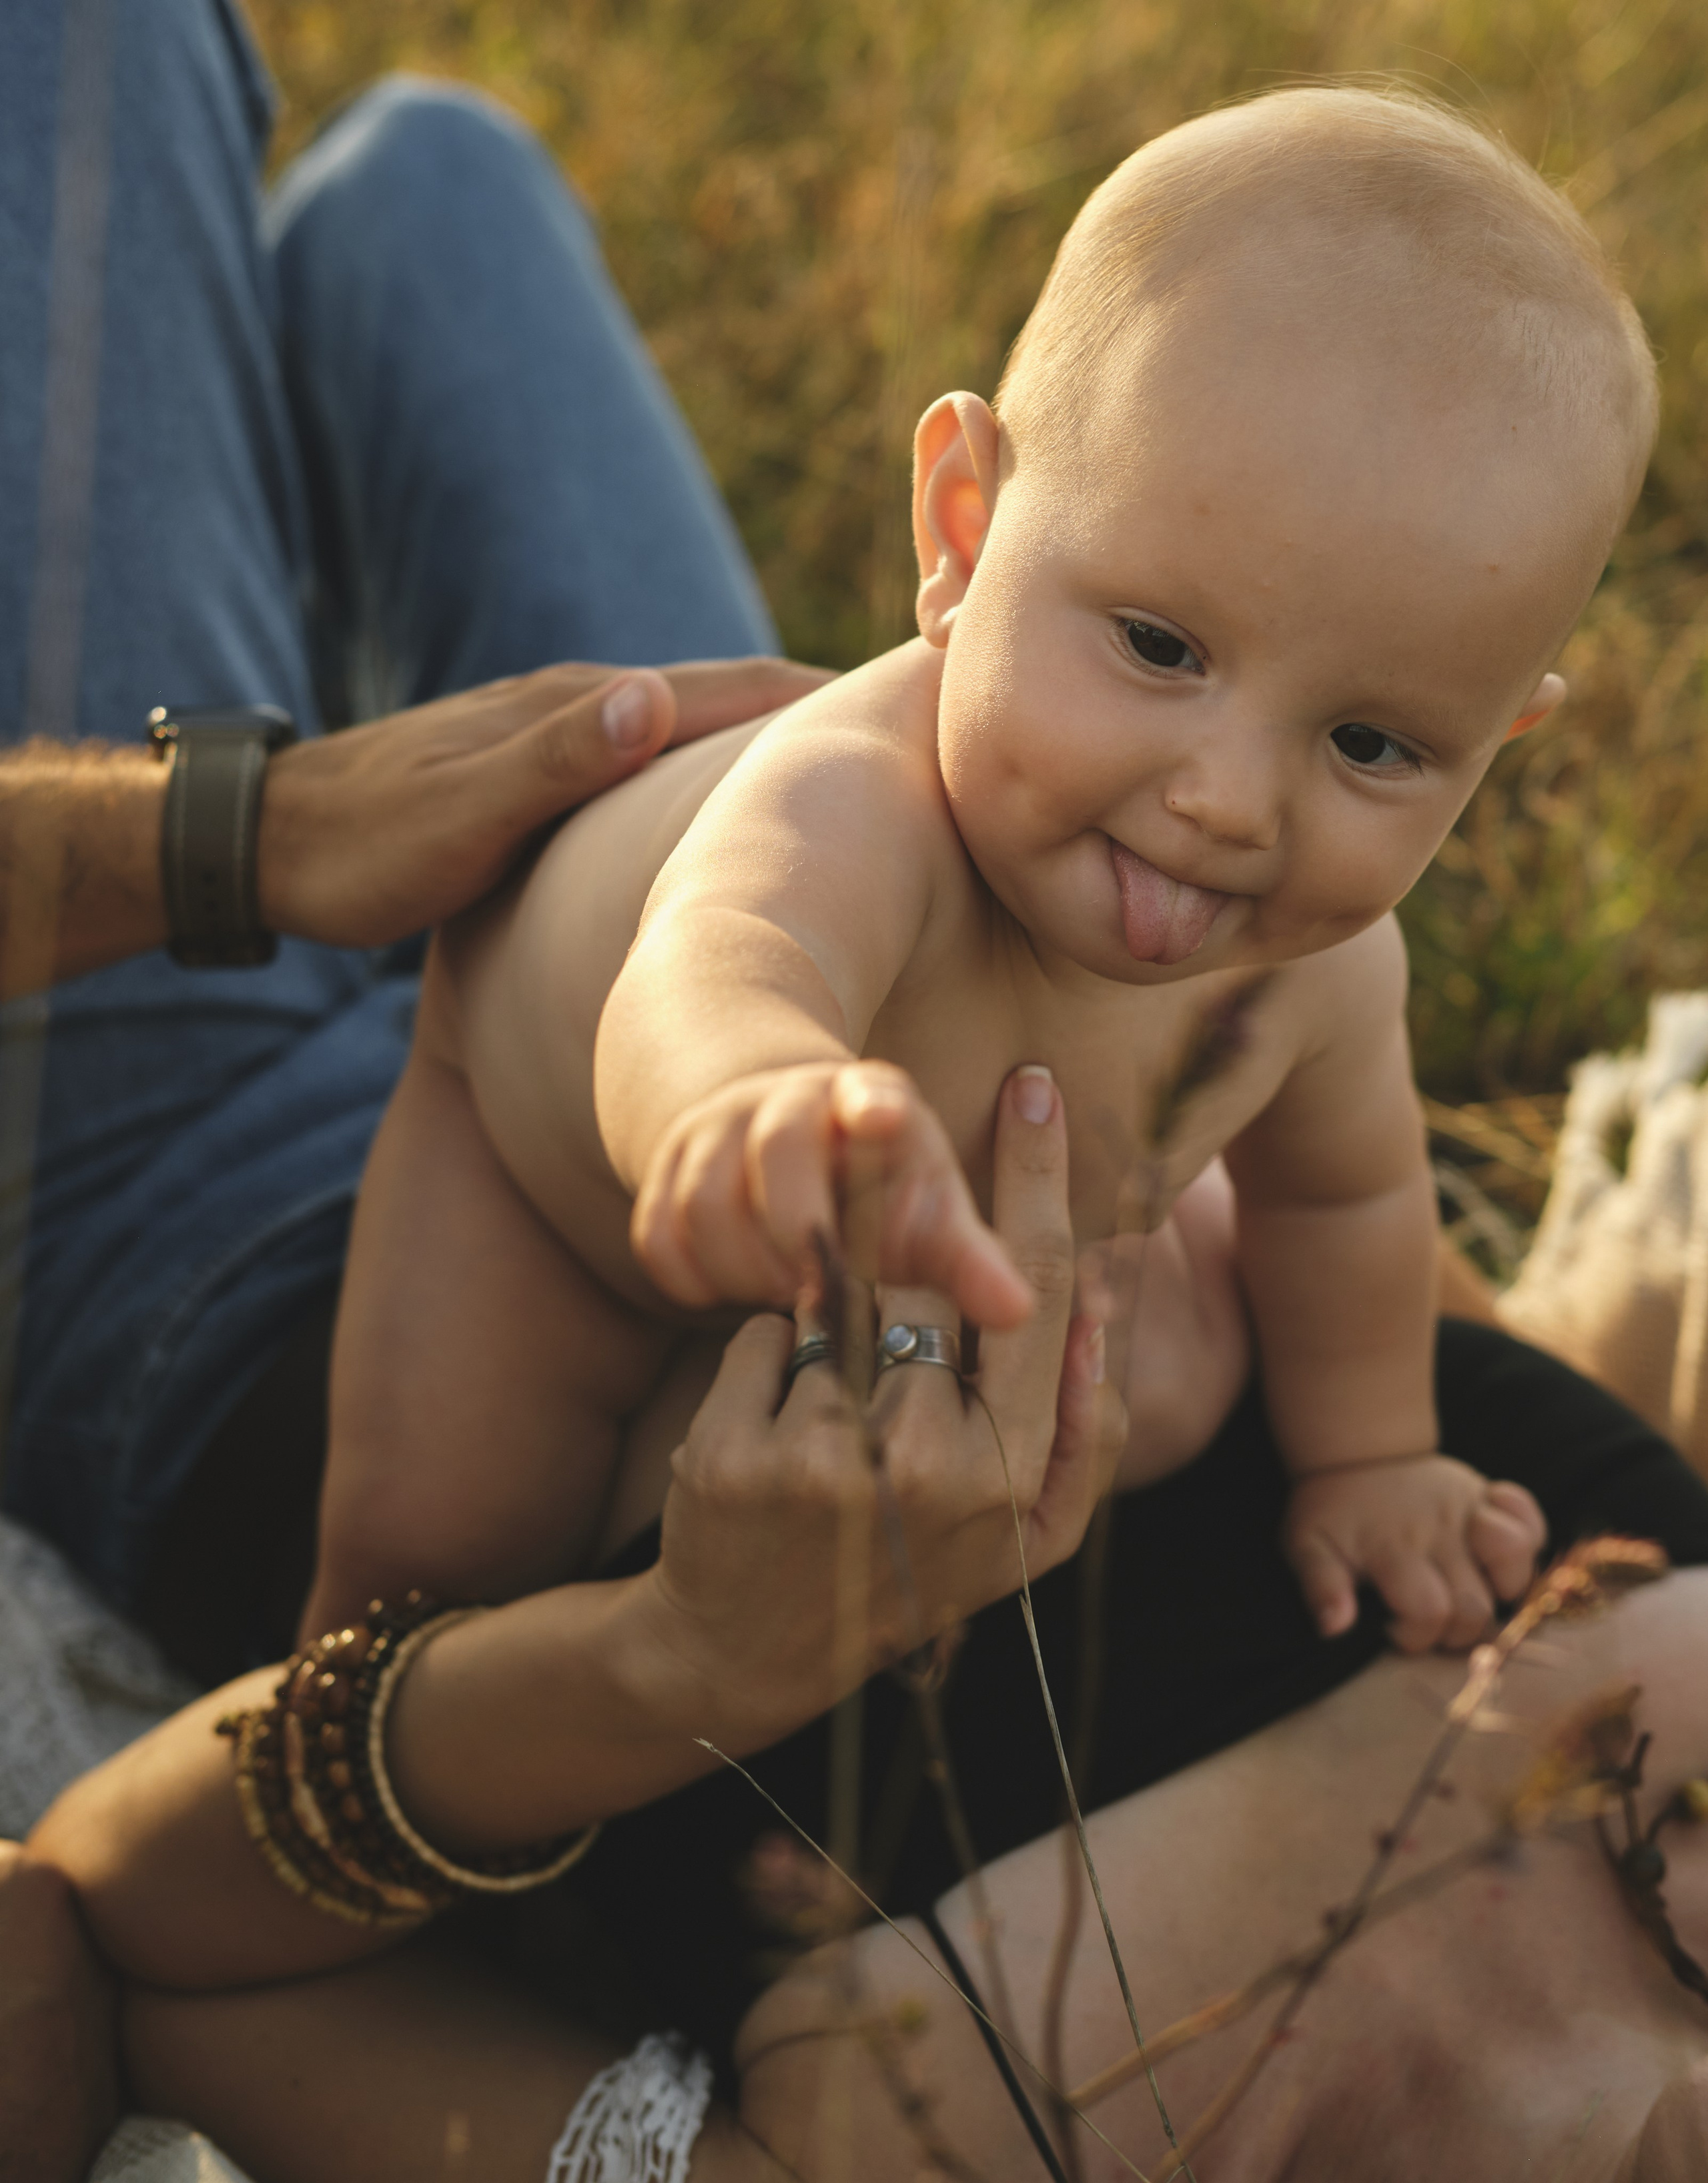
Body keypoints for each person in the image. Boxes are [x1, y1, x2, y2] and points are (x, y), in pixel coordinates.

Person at [298, 85, 1653, 1655]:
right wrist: (745, 1097)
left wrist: (1369, 1455)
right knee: (436, 1553)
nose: (1225, 803)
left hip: (872, 1248)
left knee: (1172, 1375)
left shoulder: (1325, 968)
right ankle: (335, 1768)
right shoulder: (862, 795)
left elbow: (1344, 1200)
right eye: (1158, 648)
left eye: (1371, 745)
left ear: (1497, 738)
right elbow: (718, 957)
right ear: (962, 526)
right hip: (543, 1185)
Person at [23, 1083, 1708, 2180]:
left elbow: (146, 1931)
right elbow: (1361, 1259)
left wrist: (676, 1657)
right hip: (735, 1011)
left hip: (201, 1262)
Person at [0, 0, 828, 1682]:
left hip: (204, 1229)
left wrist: (257, 828)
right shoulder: (1461, 1532)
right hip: (590, 1038)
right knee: (427, 181)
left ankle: (254, 685)